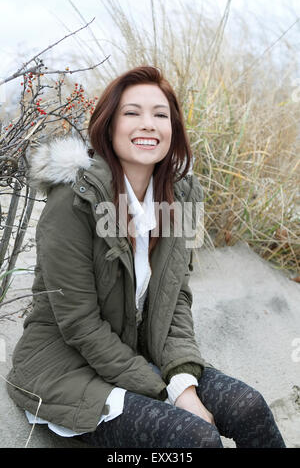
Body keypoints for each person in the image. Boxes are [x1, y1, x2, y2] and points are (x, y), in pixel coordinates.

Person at [6, 66, 286, 448]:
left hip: (140, 349)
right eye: (132, 112)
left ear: (174, 128)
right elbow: (80, 326)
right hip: (65, 364)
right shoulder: (72, 201)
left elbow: (177, 300)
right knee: (195, 438)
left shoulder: (182, 197)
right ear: (108, 124)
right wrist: (166, 392)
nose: (148, 124)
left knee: (249, 407)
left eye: (160, 114)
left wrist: (182, 378)